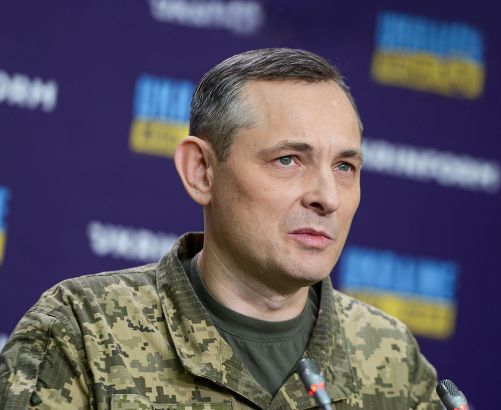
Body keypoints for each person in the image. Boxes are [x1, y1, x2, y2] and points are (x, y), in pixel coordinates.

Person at [0, 48, 443, 409]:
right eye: (288, 160)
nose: (327, 197)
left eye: (345, 166)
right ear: (201, 171)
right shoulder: (82, 331)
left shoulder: (390, 355)